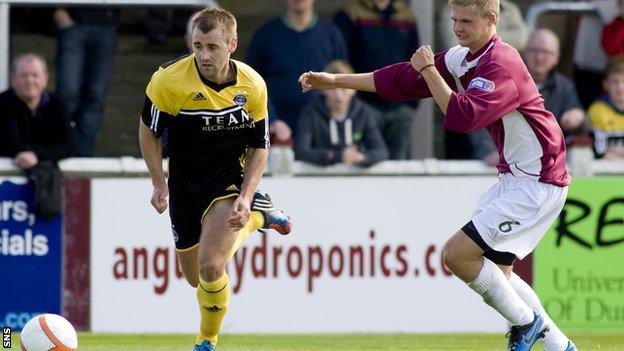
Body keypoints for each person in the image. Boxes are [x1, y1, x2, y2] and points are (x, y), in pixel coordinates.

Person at [299, 0, 577, 349]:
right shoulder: (466, 56)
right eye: (454, 19)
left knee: (457, 255)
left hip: (539, 181)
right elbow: (401, 79)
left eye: (466, 21)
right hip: (516, 179)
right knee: (498, 274)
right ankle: (561, 346)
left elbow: (463, 118)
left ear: (492, 19)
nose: (458, 27)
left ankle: (527, 322)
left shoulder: (501, 64)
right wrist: (337, 80)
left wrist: (430, 70)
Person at [138, 8, 292, 351]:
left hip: (228, 176)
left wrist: (246, 194)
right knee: (195, 277)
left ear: (232, 44)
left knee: (211, 266)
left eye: (212, 47)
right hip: (184, 180)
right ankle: (259, 218)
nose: (204, 56)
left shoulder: (252, 86)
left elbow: (260, 146)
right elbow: (149, 132)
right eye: (198, 46)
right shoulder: (168, 80)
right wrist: (158, 181)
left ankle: (206, 341)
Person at [246, 0, 347, 144]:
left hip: (322, 132)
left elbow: (344, 82)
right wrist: (271, 120)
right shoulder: (265, 35)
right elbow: (251, 83)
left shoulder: (332, 35)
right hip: (276, 133)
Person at [333, 0, 419, 159]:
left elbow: (416, 61)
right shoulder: (350, 13)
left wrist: (410, 104)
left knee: (398, 169)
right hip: (364, 105)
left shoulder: (406, 15)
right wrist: (354, 101)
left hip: (400, 107)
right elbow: (342, 62)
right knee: (365, 161)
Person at [0, 54, 73, 219]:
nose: (30, 81)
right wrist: (37, 153)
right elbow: (11, 143)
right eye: (24, 75)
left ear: (45, 78)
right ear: (13, 78)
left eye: (35, 75)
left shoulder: (58, 105)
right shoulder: (2, 103)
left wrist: (36, 155)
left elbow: (68, 146)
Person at [295, 60, 388, 166]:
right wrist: (337, 156)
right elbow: (301, 151)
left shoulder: (363, 112)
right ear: (323, 88)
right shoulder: (310, 112)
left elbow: (381, 151)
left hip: (355, 179)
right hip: (320, 179)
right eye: (332, 89)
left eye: (344, 89)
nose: (338, 95)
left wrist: (362, 157)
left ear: (354, 89)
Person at [54, 7, 118, 156]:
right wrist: (58, 11)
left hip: (106, 25)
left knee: (95, 96)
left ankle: (83, 153)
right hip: (74, 21)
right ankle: (60, 146)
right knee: (67, 93)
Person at [588, 57, 624, 159]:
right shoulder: (597, 110)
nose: (620, 87)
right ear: (605, 85)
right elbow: (601, 152)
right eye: (615, 82)